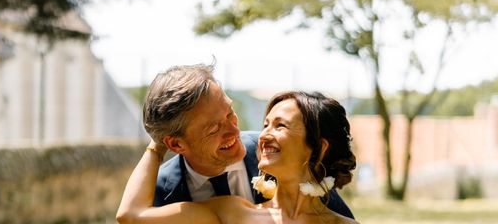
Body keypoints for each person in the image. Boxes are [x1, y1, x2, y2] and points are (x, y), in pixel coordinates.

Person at [117, 75, 358, 223]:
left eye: (280, 125)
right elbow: (131, 216)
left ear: (318, 148)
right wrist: (157, 145)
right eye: (265, 125)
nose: (263, 135)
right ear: (176, 144)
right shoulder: (231, 213)